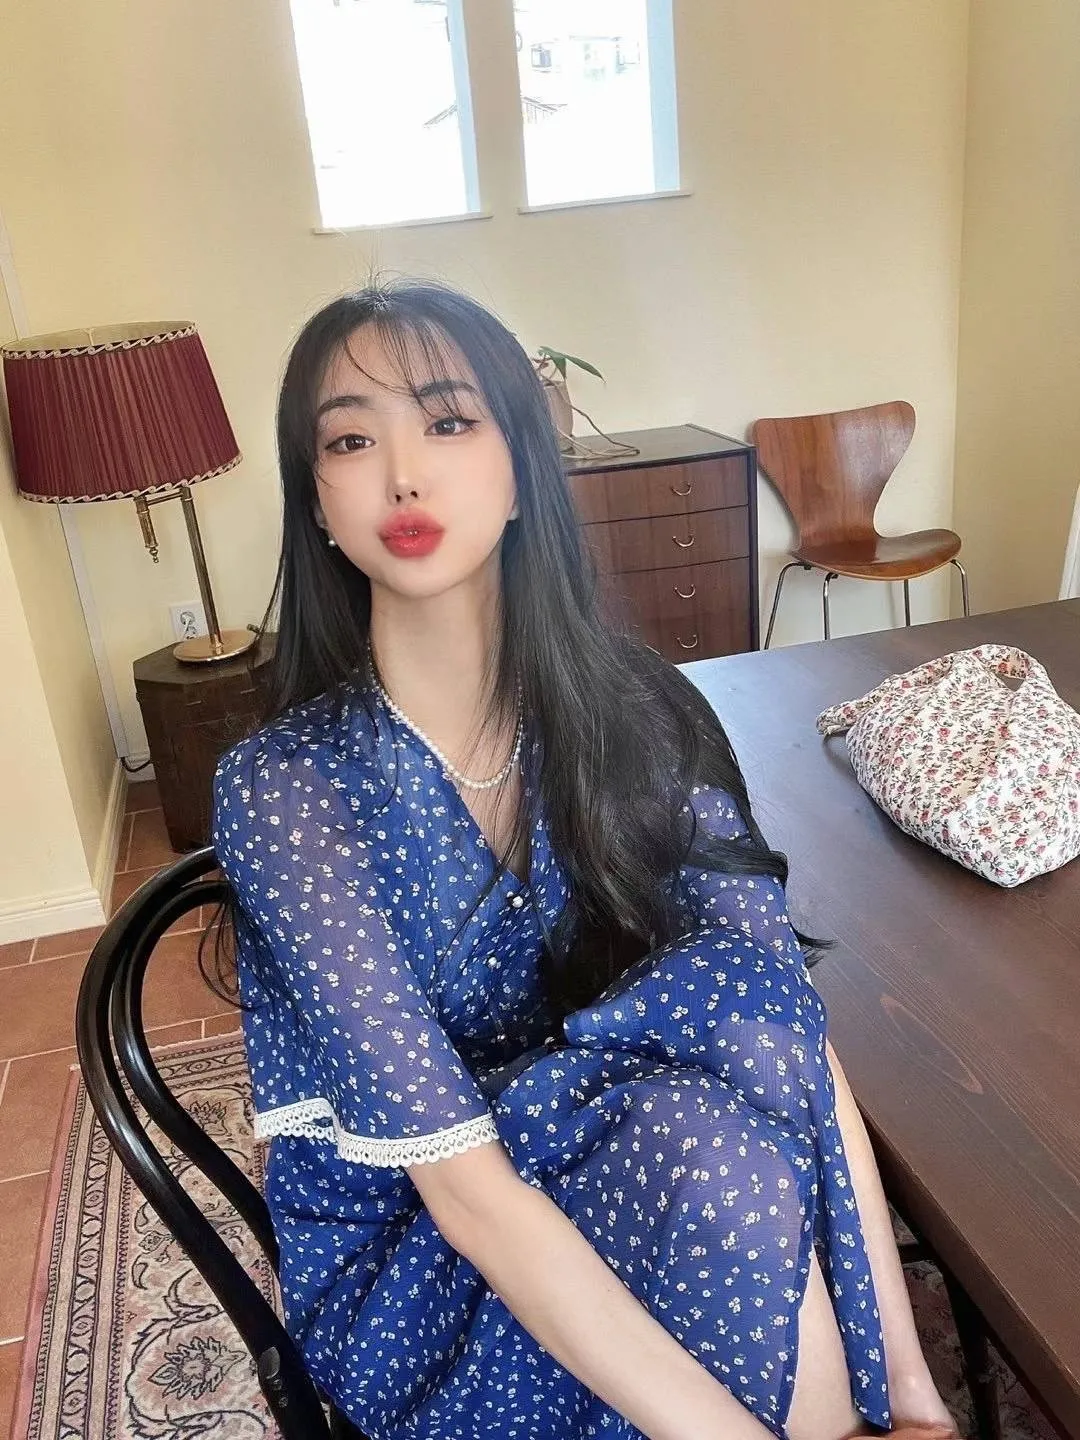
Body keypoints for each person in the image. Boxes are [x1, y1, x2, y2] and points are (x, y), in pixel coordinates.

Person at [209, 279, 955, 1440]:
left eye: (448, 421)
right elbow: (467, 1195)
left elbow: (786, 1031)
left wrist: (915, 1397)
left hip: (616, 1137)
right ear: (318, 500)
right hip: (430, 1259)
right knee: (711, 1163)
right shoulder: (289, 789)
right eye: (351, 440)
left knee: (730, 1051)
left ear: (523, 470)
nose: (402, 474)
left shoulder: (634, 714)